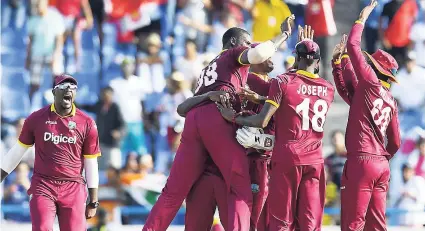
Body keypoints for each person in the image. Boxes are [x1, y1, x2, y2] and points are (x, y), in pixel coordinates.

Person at [142, 15, 295, 231]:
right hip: (216, 120)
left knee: (173, 192)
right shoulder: (231, 56)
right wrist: (284, 36)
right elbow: (260, 53)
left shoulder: (209, 69)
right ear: (233, 43)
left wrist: (210, 96)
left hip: (195, 122)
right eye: (246, 43)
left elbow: (185, 108)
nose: (248, 48)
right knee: (240, 187)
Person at [217, 39, 335, 230]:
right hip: (314, 159)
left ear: (296, 59)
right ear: (319, 61)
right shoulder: (328, 88)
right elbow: (301, 98)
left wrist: (234, 118)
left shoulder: (282, 81)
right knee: (310, 221)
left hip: (286, 156)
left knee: (281, 220)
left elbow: (266, 116)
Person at [182, 57, 277, 231]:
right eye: (263, 55)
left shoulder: (273, 85)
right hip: (249, 161)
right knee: (249, 221)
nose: (270, 58)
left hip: (259, 160)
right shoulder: (249, 81)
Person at [0, 74, 101, 231]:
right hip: (43, 185)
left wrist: (93, 200)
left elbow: (91, 162)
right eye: (63, 87)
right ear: (54, 92)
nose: (68, 90)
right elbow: (17, 151)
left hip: (73, 187)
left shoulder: (87, 123)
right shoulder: (36, 119)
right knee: (42, 228)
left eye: (72, 88)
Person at [341, 1, 402, 230]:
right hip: (381, 166)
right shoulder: (391, 100)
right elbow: (395, 142)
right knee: (377, 225)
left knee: (353, 224)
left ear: (375, 68)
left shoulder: (369, 83)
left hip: (362, 161)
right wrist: (383, 160)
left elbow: (353, 45)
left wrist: (361, 19)